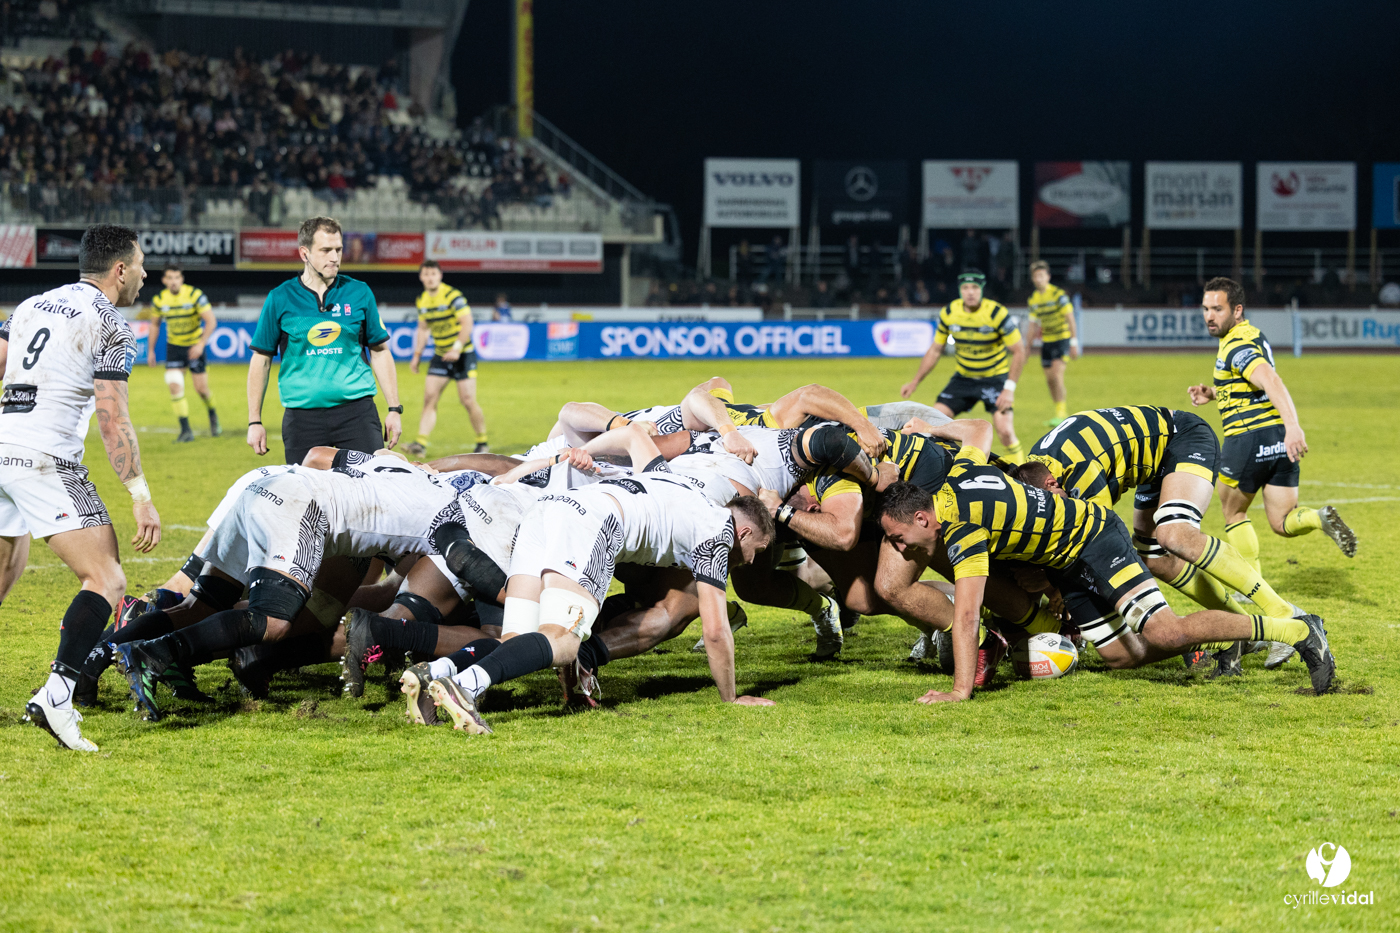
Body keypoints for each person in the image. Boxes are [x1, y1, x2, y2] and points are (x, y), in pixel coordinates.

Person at [877, 419, 1336, 701]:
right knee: (1119, 656)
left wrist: (959, 692)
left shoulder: (964, 529)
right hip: (1067, 558)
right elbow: (978, 428)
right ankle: (1217, 638)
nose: (901, 548)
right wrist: (928, 428)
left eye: (899, 538)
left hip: (1095, 537)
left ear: (922, 515)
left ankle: (1297, 629)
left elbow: (966, 615)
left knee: (1164, 629)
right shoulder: (962, 470)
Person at [426, 425, 778, 735]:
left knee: (518, 636)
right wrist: (731, 698)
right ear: (743, 531)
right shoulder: (717, 533)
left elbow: (633, 435)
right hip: (592, 525)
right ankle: (465, 686)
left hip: (548, 510)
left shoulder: (675, 480)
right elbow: (715, 630)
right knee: (564, 644)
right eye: (756, 550)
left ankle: (434, 674)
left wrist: (575, 452)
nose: (750, 560)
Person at [2, 223, 162, 751]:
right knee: (108, 578)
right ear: (119, 270)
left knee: (7, 567)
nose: (145, 273)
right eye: (140, 265)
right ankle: (58, 695)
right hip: (46, 459)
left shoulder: (31, 305)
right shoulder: (111, 323)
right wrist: (140, 493)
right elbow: (112, 419)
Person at [1013, 405, 1312, 674]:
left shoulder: (1080, 473)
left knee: (1174, 535)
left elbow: (1099, 545)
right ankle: (1237, 628)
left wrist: (1057, 590)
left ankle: (1286, 614)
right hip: (1151, 467)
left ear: (1052, 483)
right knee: (1154, 560)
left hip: (1182, 438)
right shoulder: (1037, 476)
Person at [1187, 278, 1357, 573]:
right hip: (1277, 439)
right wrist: (1214, 393)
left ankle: (1251, 584)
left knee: (1233, 512)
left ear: (1237, 310)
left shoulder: (1236, 345)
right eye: (1205, 309)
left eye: (1217, 309)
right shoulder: (1252, 335)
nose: (1209, 316)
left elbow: (1270, 380)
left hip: (1247, 439)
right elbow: (1252, 386)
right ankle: (1319, 518)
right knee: (1282, 521)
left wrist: (1295, 426)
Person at [246, 216, 403, 466]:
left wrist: (394, 409)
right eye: (326, 250)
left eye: (338, 249)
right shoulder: (280, 298)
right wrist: (255, 421)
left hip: (357, 413)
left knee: (370, 496)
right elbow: (261, 360)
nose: (335, 257)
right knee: (309, 501)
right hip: (302, 419)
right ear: (304, 253)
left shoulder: (359, 292)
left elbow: (380, 351)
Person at [899, 269, 1027, 463]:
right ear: (960, 290)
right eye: (965, 287)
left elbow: (1019, 350)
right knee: (933, 422)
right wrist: (915, 381)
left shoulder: (996, 313)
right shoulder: (949, 313)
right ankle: (941, 464)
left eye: (975, 287)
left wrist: (1009, 389)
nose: (970, 292)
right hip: (964, 379)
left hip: (994, 380)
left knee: (1005, 431)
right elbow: (935, 350)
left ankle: (1021, 470)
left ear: (982, 289)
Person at [405, 260, 488, 456]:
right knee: (429, 399)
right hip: (441, 355)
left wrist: (457, 349)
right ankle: (420, 444)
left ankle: (482, 442)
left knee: (467, 400)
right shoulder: (422, 300)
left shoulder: (452, 296)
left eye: (434, 274)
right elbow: (423, 329)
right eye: (426, 274)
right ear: (421, 277)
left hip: (463, 354)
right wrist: (417, 355)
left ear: (440, 276)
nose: (430, 277)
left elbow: (467, 323)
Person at [147, 263, 220, 442]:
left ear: (182, 279)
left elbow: (211, 321)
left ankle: (212, 414)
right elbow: (155, 325)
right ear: (164, 280)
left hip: (194, 347)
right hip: (174, 348)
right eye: (170, 278)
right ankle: (186, 430)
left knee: (202, 390)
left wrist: (201, 344)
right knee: (174, 385)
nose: (173, 282)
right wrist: (150, 350)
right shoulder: (159, 300)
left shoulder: (194, 295)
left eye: (177, 278)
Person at [1025, 260, 1078, 426]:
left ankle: (1062, 414)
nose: (1038, 279)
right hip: (1046, 342)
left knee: (1056, 375)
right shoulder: (1033, 299)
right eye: (1035, 276)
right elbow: (1033, 325)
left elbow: (1070, 318)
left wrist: (1074, 342)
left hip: (1061, 339)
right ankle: (1058, 412)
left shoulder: (1058, 295)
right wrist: (1027, 348)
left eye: (1041, 275)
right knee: (1049, 380)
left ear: (1048, 277)